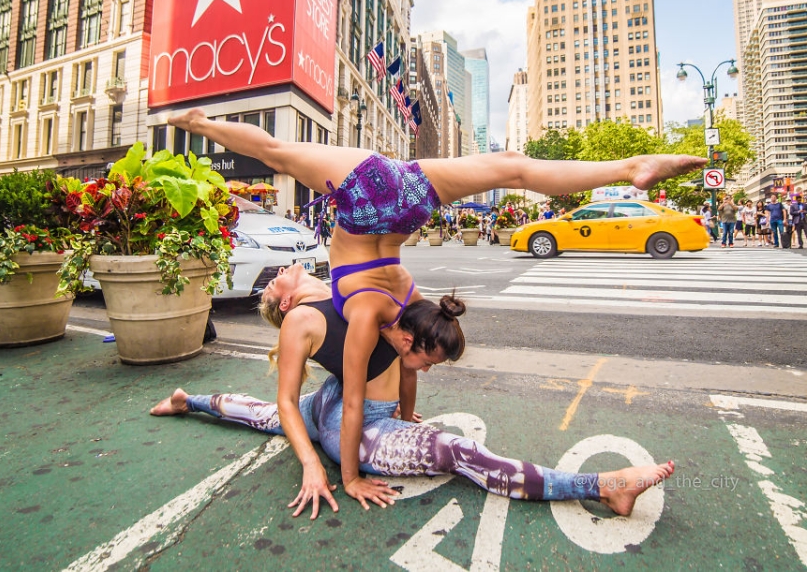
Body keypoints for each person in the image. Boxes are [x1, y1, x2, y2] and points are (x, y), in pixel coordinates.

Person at [167, 108, 702, 506]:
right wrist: (352, 473)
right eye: (278, 283)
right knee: (513, 168)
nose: (284, 272)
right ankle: (628, 167)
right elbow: (358, 398)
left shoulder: (377, 308)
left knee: (277, 151)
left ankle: (201, 123)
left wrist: (363, 457)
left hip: (378, 190)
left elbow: (364, 390)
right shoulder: (391, 302)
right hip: (394, 191)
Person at [151, 265, 674, 519]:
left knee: (260, 415)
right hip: (349, 420)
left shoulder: (355, 290)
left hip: (341, 402)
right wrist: (324, 469)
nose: (279, 273)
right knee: (458, 451)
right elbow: (292, 402)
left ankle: (186, 400)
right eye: (273, 285)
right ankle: (601, 485)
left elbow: (407, 363)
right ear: (284, 303)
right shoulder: (301, 320)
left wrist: (406, 412)